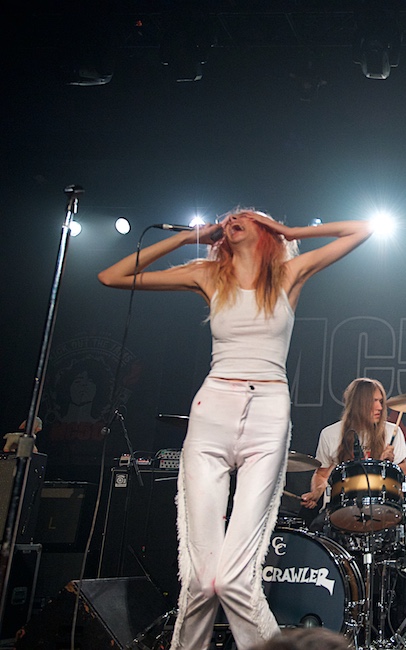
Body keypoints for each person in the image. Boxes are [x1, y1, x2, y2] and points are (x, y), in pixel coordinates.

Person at [98, 209, 372, 649]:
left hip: (268, 411)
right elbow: (112, 276)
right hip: (213, 409)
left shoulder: (288, 275)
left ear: (266, 232)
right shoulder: (208, 275)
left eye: (247, 215)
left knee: (234, 579)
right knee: (202, 579)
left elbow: (361, 228)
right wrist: (186, 239)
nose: (233, 217)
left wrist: (292, 231)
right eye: (229, 216)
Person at [300, 377, 406, 525]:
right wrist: (317, 492)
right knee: (315, 530)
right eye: (374, 401)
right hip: (338, 509)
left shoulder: (392, 432)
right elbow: (321, 474)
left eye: (381, 401)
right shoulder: (330, 434)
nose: (380, 407)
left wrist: (390, 466)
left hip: (381, 510)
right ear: (358, 404)